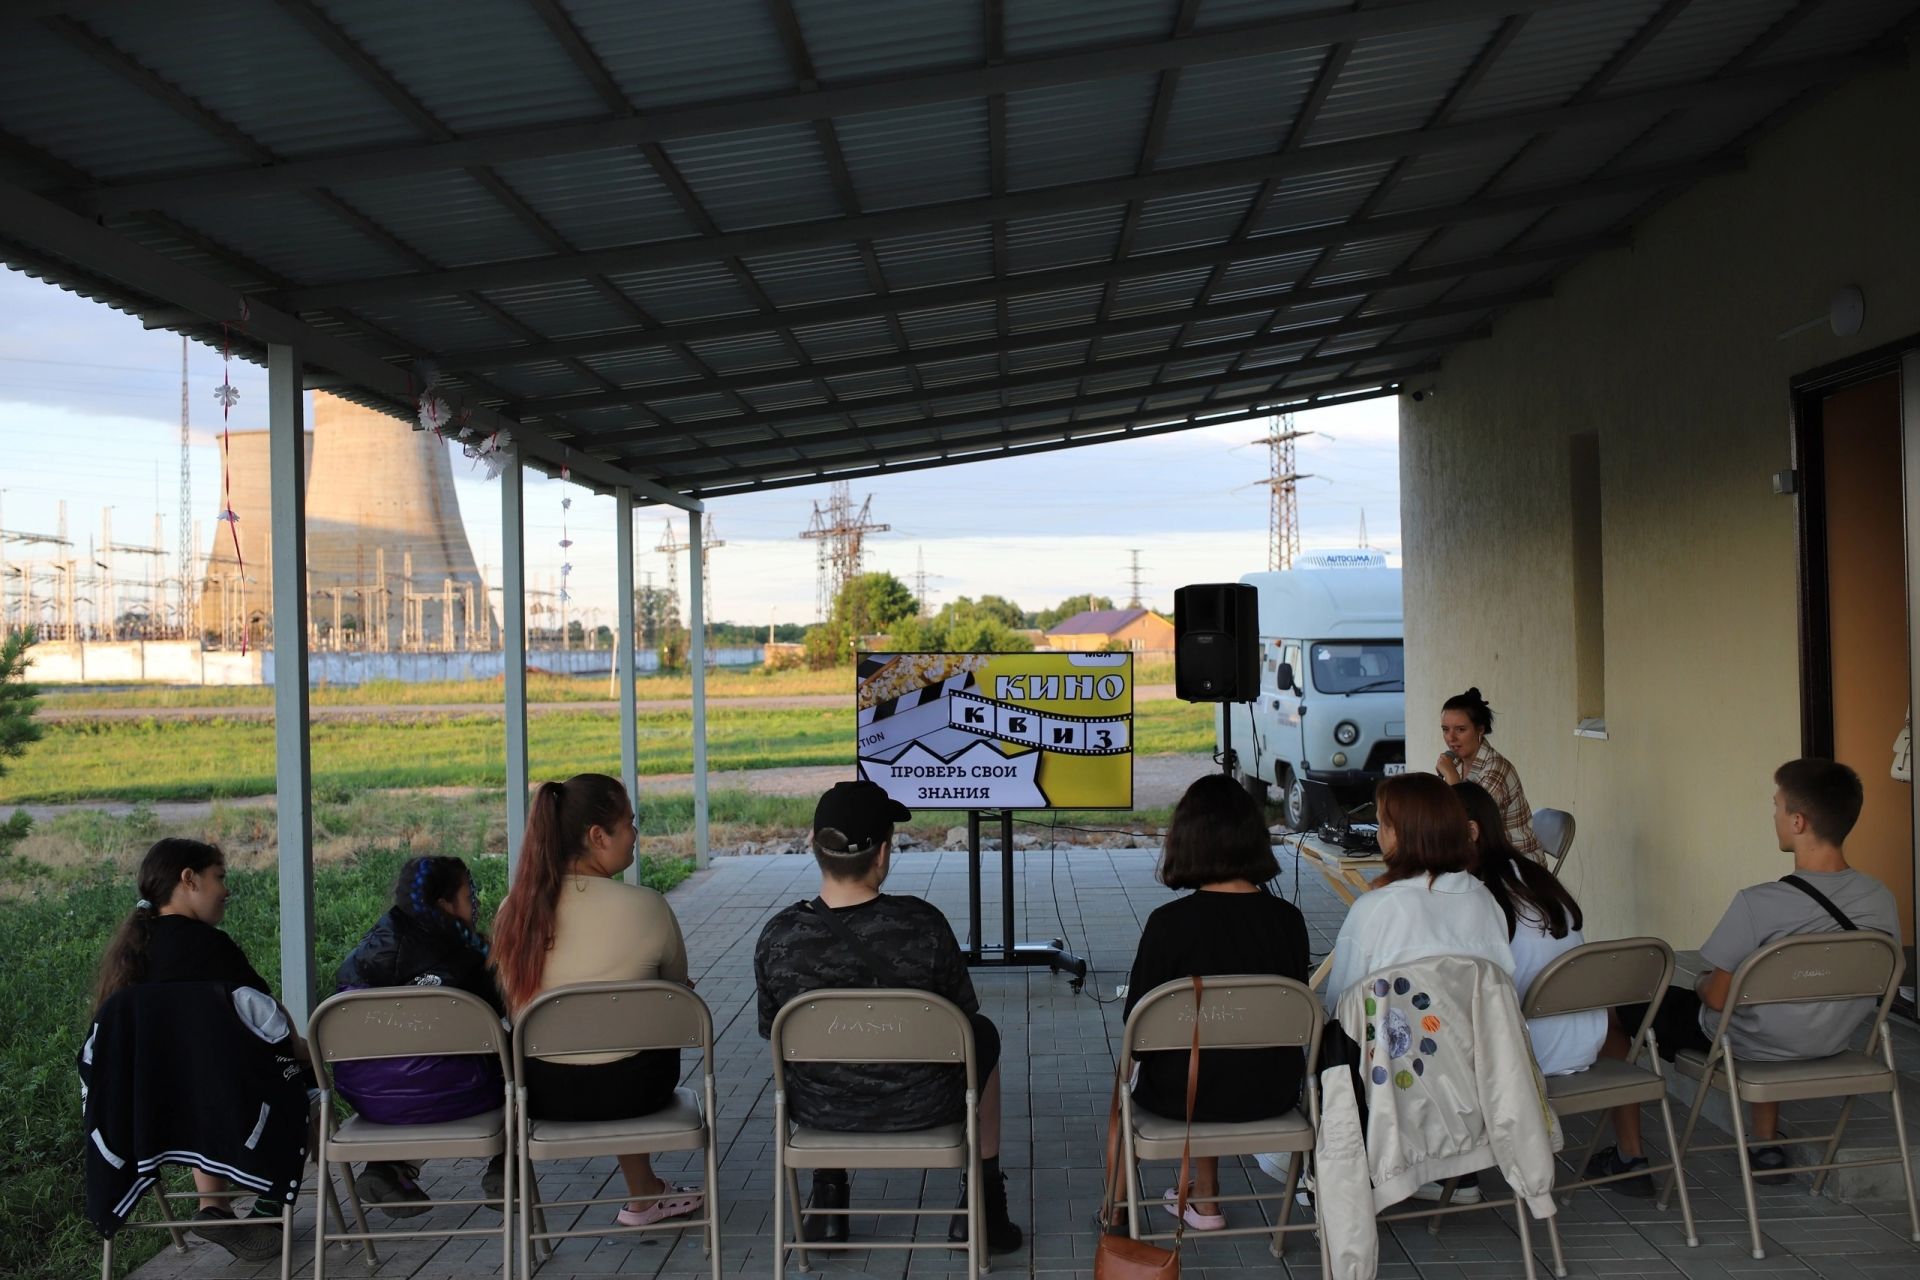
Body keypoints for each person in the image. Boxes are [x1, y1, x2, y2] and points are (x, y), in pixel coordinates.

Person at [1584, 759, 1900, 1193]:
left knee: (1617, 1010)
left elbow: (1716, 998)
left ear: (1797, 821)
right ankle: (1765, 1145)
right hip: (1831, 1038)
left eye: (1776, 806)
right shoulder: (1881, 899)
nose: (1772, 815)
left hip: (1748, 1043)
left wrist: (1699, 981)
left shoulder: (1759, 903)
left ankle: (1628, 1157)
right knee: (1777, 1009)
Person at [754, 780, 1023, 1254]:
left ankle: (829, 1202)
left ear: (814, 846)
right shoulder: (923, 924)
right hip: (926, 1105)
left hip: (819, 1110)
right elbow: (959, 1021)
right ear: (882, 855)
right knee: (981, 1034)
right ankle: (985, 1208)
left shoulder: (779, 936)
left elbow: (771, 1032)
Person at [489, 774, 702, 1227]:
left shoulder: (515, 911)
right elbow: (679, 990)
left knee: (611, 1024)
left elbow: (512, 1003)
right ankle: (644, 1194)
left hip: (543, 1091)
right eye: (629, 823)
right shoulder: (647, 906)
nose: (636, 835)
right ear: (597, 836)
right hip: (637, 1090)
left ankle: (643, 1191)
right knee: (641, 1021)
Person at [90, 838, 297, 1262]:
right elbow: (268, 1022)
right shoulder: (212, 948)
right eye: (219, 877)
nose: (226, 890)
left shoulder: (131, 955)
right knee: (298, 1081)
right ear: (189, 879)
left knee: (199, 1077)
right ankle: (268, 1208)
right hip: (217, 1102)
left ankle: (214, 1205)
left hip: (143, 1112)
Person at [1124, 773, 1309, 1231]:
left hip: (1180, 1098)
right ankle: (1203, 1198)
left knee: (1191, 1050)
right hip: (1272, 1091)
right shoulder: (1288, 920)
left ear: (1188, 841)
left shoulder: (1169, 924)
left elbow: (1138, 1030)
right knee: (1220, 1046)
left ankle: (1177, 1203)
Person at [1321, 772, 1515, 1204]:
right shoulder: (1484, 900)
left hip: (1392, 1091)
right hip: (1477, 1087)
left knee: (1334, 1041)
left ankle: (1344, 1179)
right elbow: (1501, 999)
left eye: (1382, 823)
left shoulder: (1376, 909)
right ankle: (1457, 1175)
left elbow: (1340, 1009)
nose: (1378, 832)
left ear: (1402, 834)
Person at [333, 856, 506, 1216]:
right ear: (444, 904)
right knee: (518, 1061)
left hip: (371, 1098)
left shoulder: (363, 953)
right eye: (468, 895)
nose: (475, 903)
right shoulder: (471, 958)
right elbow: (500, 1018)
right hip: (457, 1093)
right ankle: (507, 1168)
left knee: (414, 1072)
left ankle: (387, 1168)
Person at [1454, 781, 1603, 1076]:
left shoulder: (1478, 894)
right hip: (1584, 1041)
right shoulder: (1532, 875)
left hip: (1527, 1054)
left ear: (1471, 832)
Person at [1435, 687, 1544, 860]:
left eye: (1460, 730)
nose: (1451, 738)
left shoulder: (1496, 769)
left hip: (1516, 864)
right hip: (1483, 857)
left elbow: (1468, 825)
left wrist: (1451, 778)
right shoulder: (1455, 761)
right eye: (1445, 729)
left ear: (1480, 730)